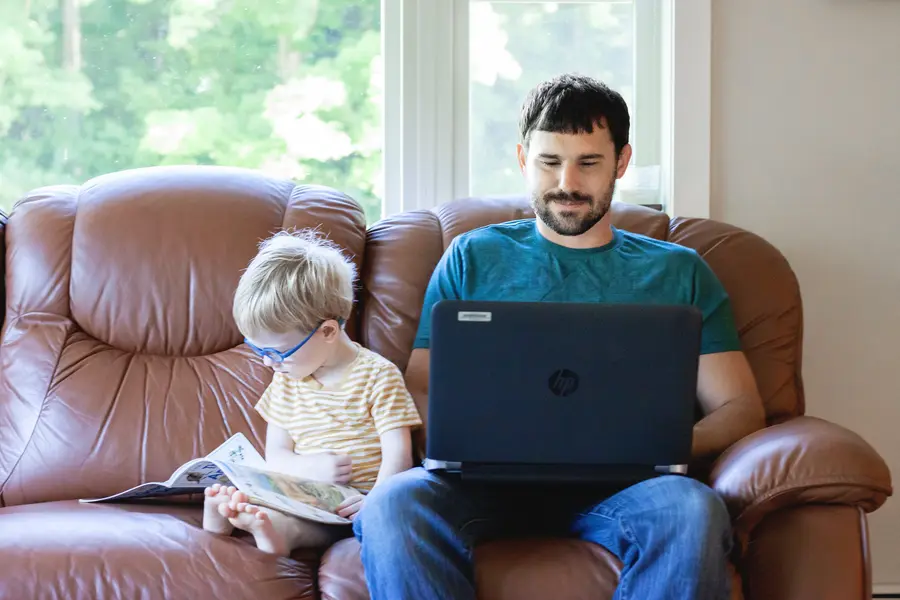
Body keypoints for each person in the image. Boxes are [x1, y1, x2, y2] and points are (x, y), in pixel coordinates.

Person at [352, 74, 767, 599]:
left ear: (621, 162)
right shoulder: (471, 257)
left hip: (629, 489)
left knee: (692, 509)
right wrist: (476, 443)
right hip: (481, 486)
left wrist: (656, 443)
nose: (566, 181)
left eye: (588, 163)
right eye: (550, 161)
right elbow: (421, 386)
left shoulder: (680, 272)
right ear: (525, 159)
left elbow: (741, 407)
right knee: (394, 505)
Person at [202, 229, 422, 556]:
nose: (267, 362)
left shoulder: (377, 375)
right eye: (259, 350)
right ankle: (229, 513)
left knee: (300, 526)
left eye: (277, 351)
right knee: (267, 495)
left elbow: (399, 456)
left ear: (328, 331)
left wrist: (375, 504)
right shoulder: (287, 380)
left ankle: (268, 530)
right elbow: (276, 456)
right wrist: (310, 469)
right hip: (299, 492)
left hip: (354, 503)